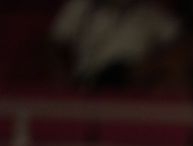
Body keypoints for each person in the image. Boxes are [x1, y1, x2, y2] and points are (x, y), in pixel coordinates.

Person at [50, 0, 185, 91]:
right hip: (88, 82)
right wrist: (63, 83)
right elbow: (56, 43)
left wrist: (156, 67)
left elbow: (179, 44)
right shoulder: (82, 5)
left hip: (134, 82)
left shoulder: (149, 11)